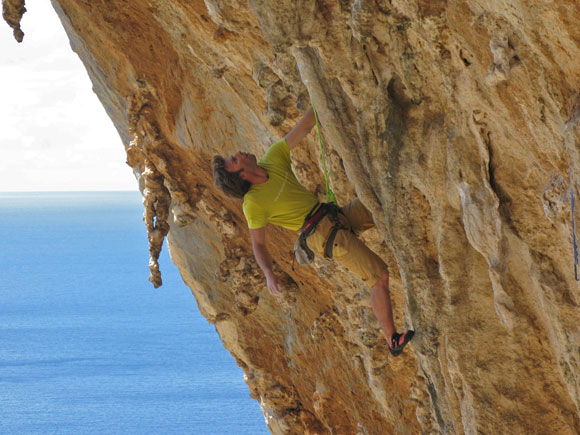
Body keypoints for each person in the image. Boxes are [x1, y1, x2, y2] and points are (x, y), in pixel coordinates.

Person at [212, 107, 414, 356]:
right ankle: (392, 339)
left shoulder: (273, 158)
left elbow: (306, 125)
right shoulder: (253, 204)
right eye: (234, 160)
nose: (238, 153)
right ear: (242, 174)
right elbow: (259, 245)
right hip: (323, 235)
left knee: (377, 198)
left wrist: (316, 88)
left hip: (333, 216)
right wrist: (269, 274)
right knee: (378, 276)